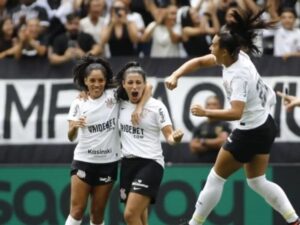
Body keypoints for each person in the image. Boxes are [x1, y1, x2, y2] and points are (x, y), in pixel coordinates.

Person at [165, 8, 300, 225]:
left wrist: (206, 112)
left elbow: (236, 112)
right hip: (265, 124)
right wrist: (176, 74)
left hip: (250, 131)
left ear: (225, 52)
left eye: (214, 45)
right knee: (257, 181)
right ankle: (294, 220)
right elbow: (199, 62)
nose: (210, 47)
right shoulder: (236, 56)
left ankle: (194, 223)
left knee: (215, 177)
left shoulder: (238, 75)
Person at [66, 55, 151, 225]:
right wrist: (74, 126)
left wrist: (140, 107)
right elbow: (71, 137)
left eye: (100, 80)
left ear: (106, 81)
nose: (96, 84)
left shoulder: (114, 95)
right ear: (85, 80)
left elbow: (147, 86)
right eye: (92, 80)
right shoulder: (78, 102)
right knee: (76, 211)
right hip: (83, 161)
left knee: (97, 215)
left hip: (108, 163)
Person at [115, 61, 184, 225]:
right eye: (130, 82)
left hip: (150, 164)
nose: (134, 87)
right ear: (123, 84)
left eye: (138, 83)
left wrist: (176, 138)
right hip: (127, 164)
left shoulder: (157, 106)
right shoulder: (119, 104)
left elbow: (169, 137)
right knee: (140, 217)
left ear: (144, 85)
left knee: (130, 215)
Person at [189, 95, 231, 163]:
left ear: (219, 107)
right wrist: (215, 143)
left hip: (221, 164)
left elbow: (223, 143)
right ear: (205, 107)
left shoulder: (226, 126)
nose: (211, 107)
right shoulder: (200, 126)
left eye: (214, 104)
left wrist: (202, 141)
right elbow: (193, 147)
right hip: (202, 165)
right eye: (209, 104)